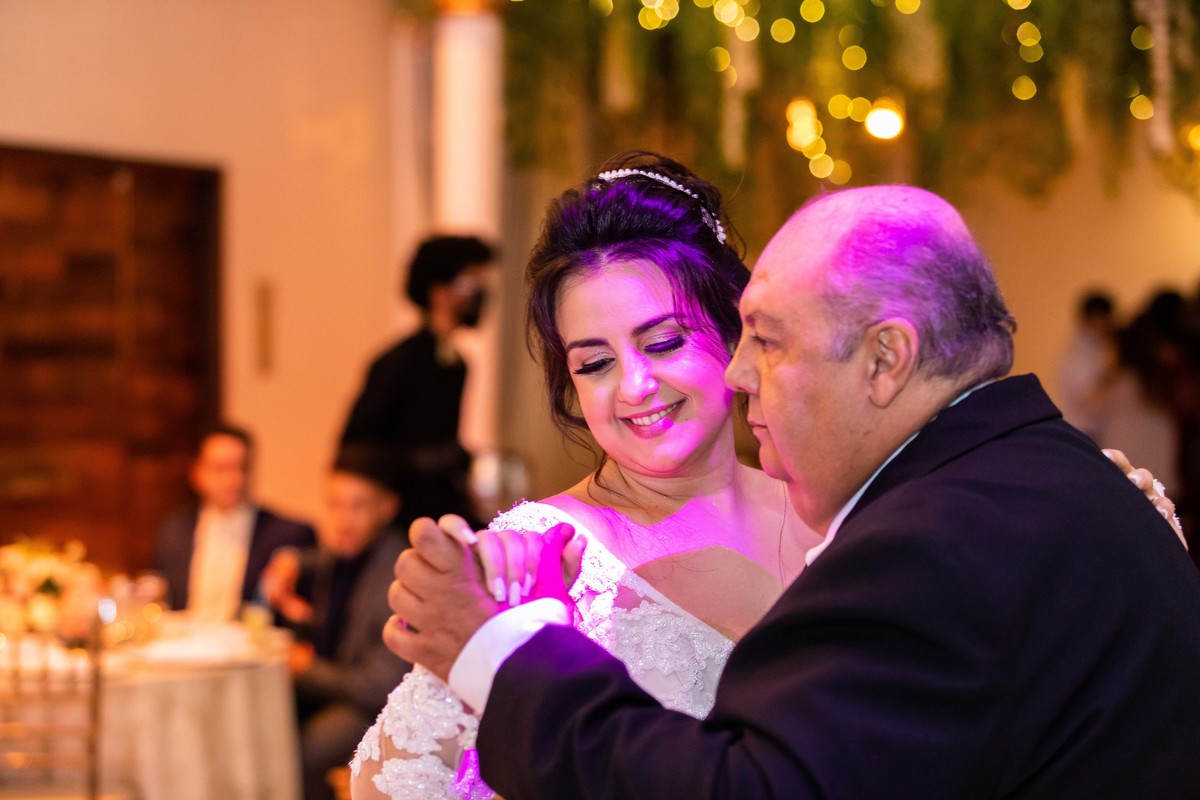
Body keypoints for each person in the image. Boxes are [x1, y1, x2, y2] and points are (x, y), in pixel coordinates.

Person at [351, 155, 1183, 799]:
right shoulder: (538, 555)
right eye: (593, 363)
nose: (634, 386)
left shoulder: (877, 515)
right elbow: (393, 782)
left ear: (733, 333)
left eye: (664, 342)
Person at [260, 445, 412, 800]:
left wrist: (307, 668)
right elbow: (317, 560)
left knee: (294, 754)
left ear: (386, 507)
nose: (343, 520)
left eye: (357, 506)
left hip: (376, 709)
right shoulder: (345, 553)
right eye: (335, 505)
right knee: (257, 721)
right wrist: (291, 560)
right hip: (337, 688)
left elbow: (380, 686)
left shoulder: (398, 576)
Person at [339, 234, 496, 528]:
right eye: (469, 282)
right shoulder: (397, 362)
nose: (481, 291)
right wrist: (421, 461)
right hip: (401, 518)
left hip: (442, 506)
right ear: (439, 292)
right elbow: (355, 447)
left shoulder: (457, 364)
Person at [153, 423, 315, 620]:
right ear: (197, 474)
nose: (234, 479)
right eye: (221, 469)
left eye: (243, 468)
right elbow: (159, 597)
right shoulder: (175, 530)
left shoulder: (287, 534)